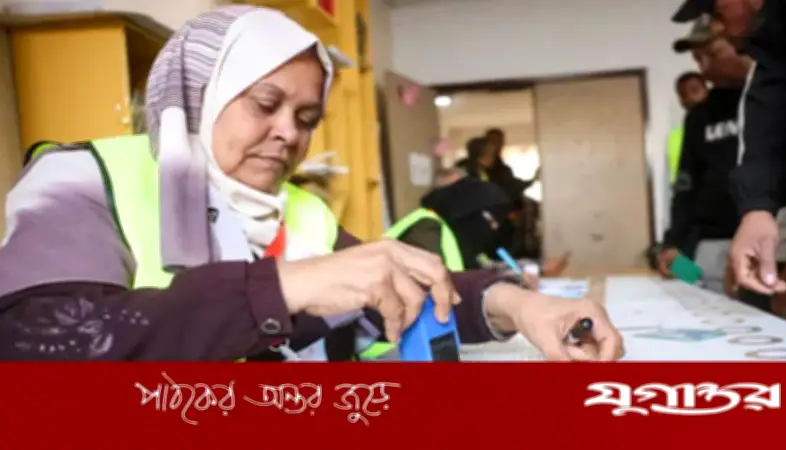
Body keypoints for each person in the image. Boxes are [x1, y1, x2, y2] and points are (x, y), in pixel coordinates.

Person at [0, 5, 622, 362]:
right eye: (264, 104)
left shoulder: (299, 212)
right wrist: (283, 287)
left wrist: (520, 304)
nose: (287, 134)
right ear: (196, 96)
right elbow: (30, 342)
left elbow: (398, 293)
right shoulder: (81, 178)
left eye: (305, 118)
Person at [657, 16, 752, 295]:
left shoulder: (772, 98)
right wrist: (674, 243)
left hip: (770, 238)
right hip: (712, 242)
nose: (705, 68)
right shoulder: (699, 116)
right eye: (698, 59)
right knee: (708, 306)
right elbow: (685, 185)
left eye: (712, 54)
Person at [668, 72, 709, 185]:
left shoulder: (727, 121)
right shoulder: (675, 136)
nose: (690, 97)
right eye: (683, 94)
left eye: (695, 90)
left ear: (706, 90)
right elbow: (679, 175)